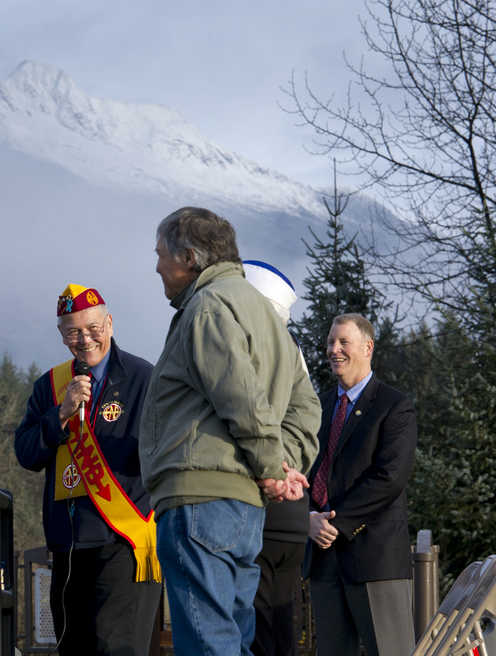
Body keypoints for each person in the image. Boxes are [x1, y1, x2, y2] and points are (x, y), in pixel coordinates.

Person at [139, 207, 321, 655]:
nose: (157, 266)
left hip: (200, 501)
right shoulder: (268, 319)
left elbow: (239, 396)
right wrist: (284, 463)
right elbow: (306, 405)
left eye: (161, 254)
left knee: (208, 644)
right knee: (234, 641)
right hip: (243, 510)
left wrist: (272, 469)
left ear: (189, 257)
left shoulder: (208, 307)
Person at [15, 284, 162, 656]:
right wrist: (61, 415)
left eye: (93, 328)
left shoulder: (144, 378)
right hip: (68, 544)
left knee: (115, 648)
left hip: (123, 539)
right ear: (61, 335)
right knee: (72, 647)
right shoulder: (50, 387)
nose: (84, 340)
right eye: (73, 332)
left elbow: (164, 449)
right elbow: (27, 454)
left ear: (109, 324)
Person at [305, 313, 417, 656]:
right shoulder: (317, 406)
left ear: (368, 348)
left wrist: (335, 523)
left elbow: (389, 477)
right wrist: (307, 518)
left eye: (343, 342)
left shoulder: (394, 406)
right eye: (330, 342)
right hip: (324, 561)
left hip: (375, 559)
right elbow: (300, 469)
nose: (333, 350)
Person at [243, 260, 312, 656]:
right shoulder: (292, 352)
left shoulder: (257, 352)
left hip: (263, 505)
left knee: (258, 629)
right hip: (292, 509)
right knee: (281, 624)